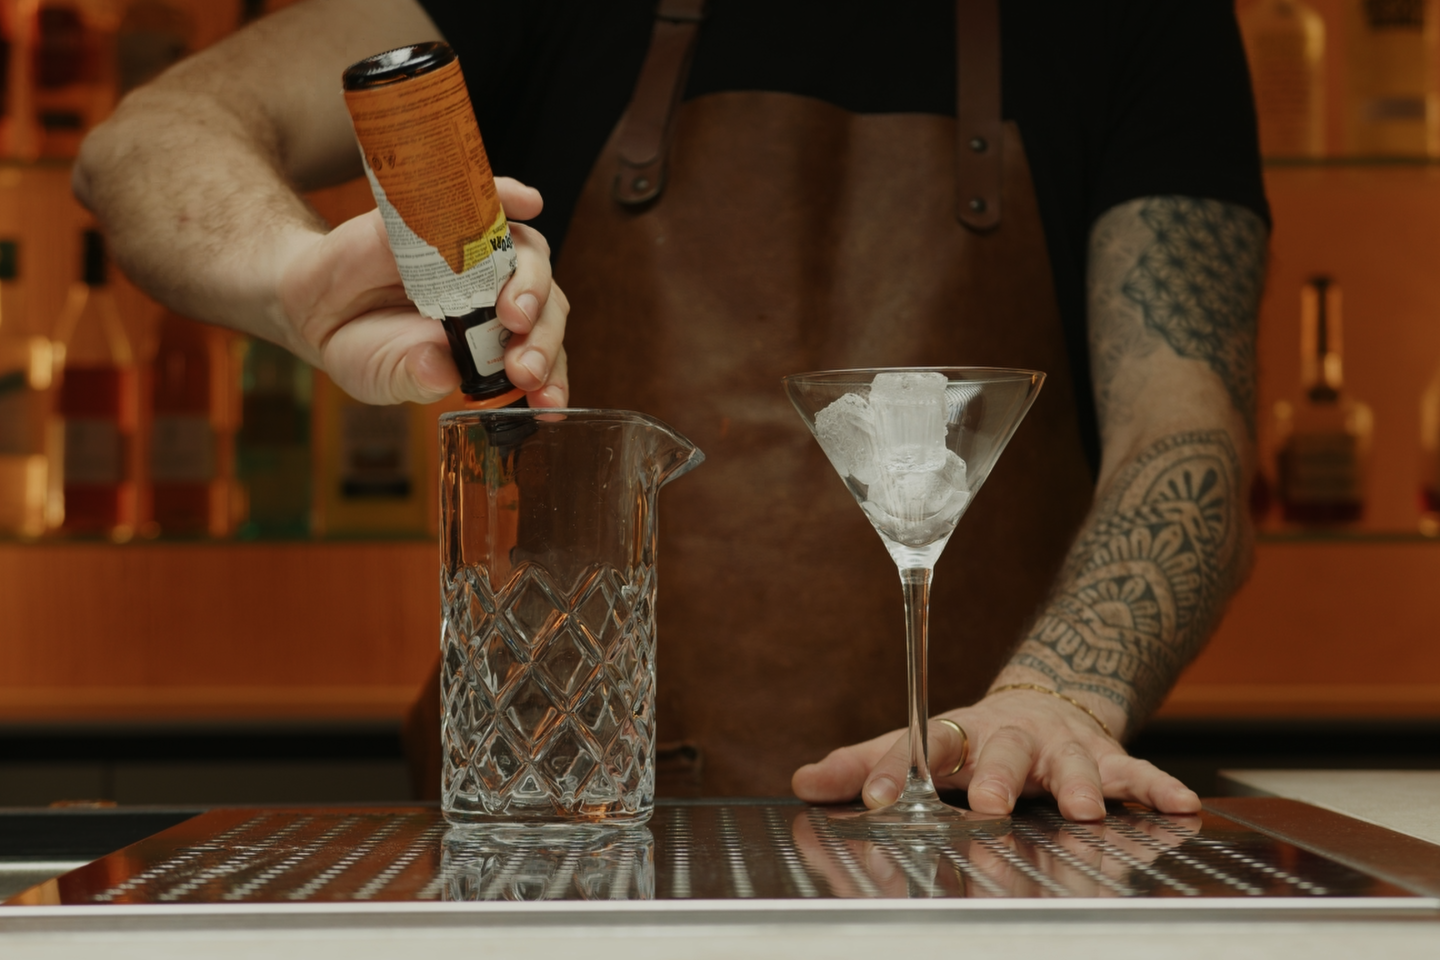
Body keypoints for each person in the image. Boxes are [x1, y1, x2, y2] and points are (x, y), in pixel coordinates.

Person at [74, 0, 1268, 821]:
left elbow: (1186, 428)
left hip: (973, 841)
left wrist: (1057, 695)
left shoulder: (1132, 14)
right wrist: (298, 285)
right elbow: (148, 139)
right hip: (556, 848)